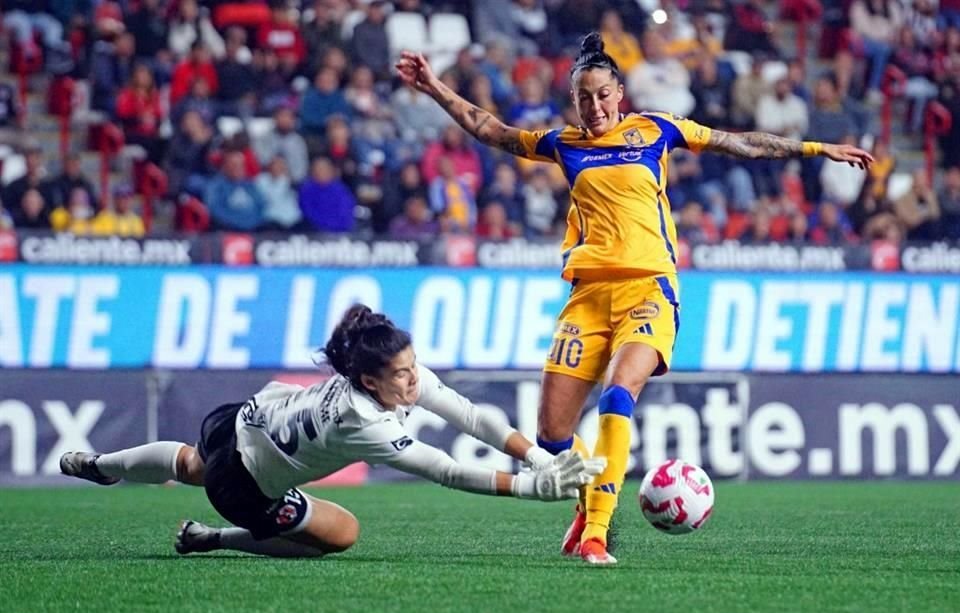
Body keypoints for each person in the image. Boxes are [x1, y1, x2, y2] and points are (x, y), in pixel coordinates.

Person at [396, 32, 873, 565]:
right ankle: (587, 500)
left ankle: (597, 532)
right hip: (588, 297)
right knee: (552, 437)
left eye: (602, 94)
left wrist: (814, 148)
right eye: (584, 98)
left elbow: (739, 142)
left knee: (618, 393)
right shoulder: (563, 144)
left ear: (619, 92)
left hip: (649, 289)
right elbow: (494, 131)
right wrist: (435, 88)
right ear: (574, 101)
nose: (595, 106)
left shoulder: (656, 129)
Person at [60, 305, 605, 558]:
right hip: (246, 484)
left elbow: (467, 414)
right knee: (342, 534)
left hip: (246, 418)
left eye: (414, 366)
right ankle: (214, 538)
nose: (415, 380)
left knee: (191, 464)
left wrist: (534, 455)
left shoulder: (391, 375)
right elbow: (445, 469)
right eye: (402, 375)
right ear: (370, 380)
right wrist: (534, 487)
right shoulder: (361, 423)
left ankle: (103, 466)